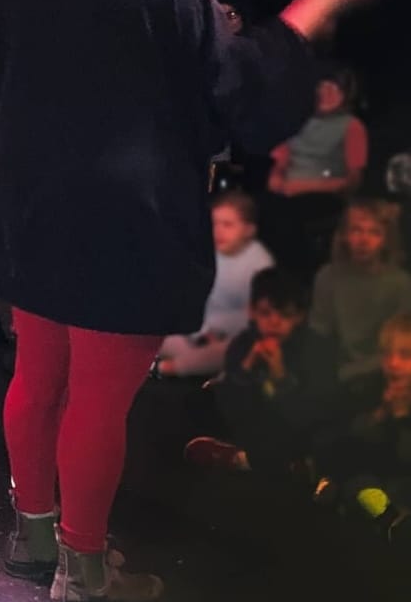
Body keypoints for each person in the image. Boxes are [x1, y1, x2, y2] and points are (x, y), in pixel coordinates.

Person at [0, 0, 397, 602]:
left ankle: (33, 534)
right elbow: (243, 100)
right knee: (98, 400)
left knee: (38, 377)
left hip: (33, 213)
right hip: (127, 222)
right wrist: (318, 2)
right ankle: (81, 569)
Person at [184, 268, 337, 475]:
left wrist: (280, 376)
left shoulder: (312, 347)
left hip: (293, 426)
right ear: (252, 312)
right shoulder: (244, 343)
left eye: (284, 315)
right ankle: (275, 461)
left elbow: (309, 410)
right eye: (266, 314)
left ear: (299, 317)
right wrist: (247, 366)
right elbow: (233, 402)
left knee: (322, 433)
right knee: (204, 398)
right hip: (253, 423)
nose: (274, 322)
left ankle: (246, 460)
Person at [312, 313, 411, 546]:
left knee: (365, 482)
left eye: (405, 356)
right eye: (388, 354)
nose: (393, 363)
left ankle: (390, 517)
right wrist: (382, 413)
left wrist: (400, 415)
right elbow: (358, 435)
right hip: (378, 474)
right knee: (357, 479)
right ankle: (387, 516)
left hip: (404, 476)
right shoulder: (376, 387)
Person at [264, 65, 368, 274]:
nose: (327, 94)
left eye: (334, 89)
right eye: (323, 88)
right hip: (288, 190)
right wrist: (276, 178)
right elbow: (280, 164)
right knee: (261, 211)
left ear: (345, 95)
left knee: (291, 220)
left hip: (325, 193)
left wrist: (307, 186)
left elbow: (353, 180)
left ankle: (300, 279)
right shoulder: (296, 121)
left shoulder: (352, 126)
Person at [158, 193, 274, 378]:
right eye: (214, 224)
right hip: (195, 331)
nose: (218, 231)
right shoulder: (203, 252)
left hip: (229, 335)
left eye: (228, 225)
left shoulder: (260, 264)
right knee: (156, 330)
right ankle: (186, 361)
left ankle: (171, 367)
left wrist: (214, 329)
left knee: (234, 349)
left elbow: (254, 316)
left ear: (249, 230)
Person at [309, 199, 411, 382]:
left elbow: (399, 343)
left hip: (383, 373)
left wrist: (352, 373)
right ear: (344, 235)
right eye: (357, 230)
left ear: (387, 240)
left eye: (375, 233)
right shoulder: (328, 276)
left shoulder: (399, 283)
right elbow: (319, 334)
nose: (364, 240)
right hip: (335, 374)